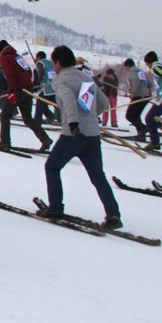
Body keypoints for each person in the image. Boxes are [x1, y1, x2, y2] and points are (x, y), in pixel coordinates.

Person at [36, 45, 121, 228]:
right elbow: (104, 102)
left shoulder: (60, 80)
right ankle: (113, 215)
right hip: (92, 135)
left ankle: (56, 208)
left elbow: (68, 100)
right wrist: (90, 117)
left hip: (72, 135)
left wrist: (74, 124)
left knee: (52, 167)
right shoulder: (86, 78)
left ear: (58, 63)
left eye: (54, 62)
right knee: (98, 175)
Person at [0, 40, 52, 152]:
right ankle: (45, 139)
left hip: (17, 90)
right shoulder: (18, 57)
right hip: (27, 89)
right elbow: (29, 71)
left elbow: (10, 75)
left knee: (5, 115)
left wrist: (12, 91)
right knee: (27, 118)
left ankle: (5, 142)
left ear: (1, 50)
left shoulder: (5, 58)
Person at [122, 57, 151, 140]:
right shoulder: (141, 71)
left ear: (128, 66)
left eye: (126, 68)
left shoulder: (132, 71)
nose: (126, 70)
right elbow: (149, 83)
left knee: (129, 115)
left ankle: (143, 128)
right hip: (145, 96)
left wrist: (133, 92)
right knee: (136, 115)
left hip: (139, 96)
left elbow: (135, 81)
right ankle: (141, 134)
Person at [32, 50, 58, 124]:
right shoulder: (50, 62)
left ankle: (37, 120)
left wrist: (37, 84)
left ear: (39, 57)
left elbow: (41, 74)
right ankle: (54, 116)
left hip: (45, 87)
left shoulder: (40, 63)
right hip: (53, 87)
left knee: (40, 103)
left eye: (36, 57)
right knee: (56, 104)